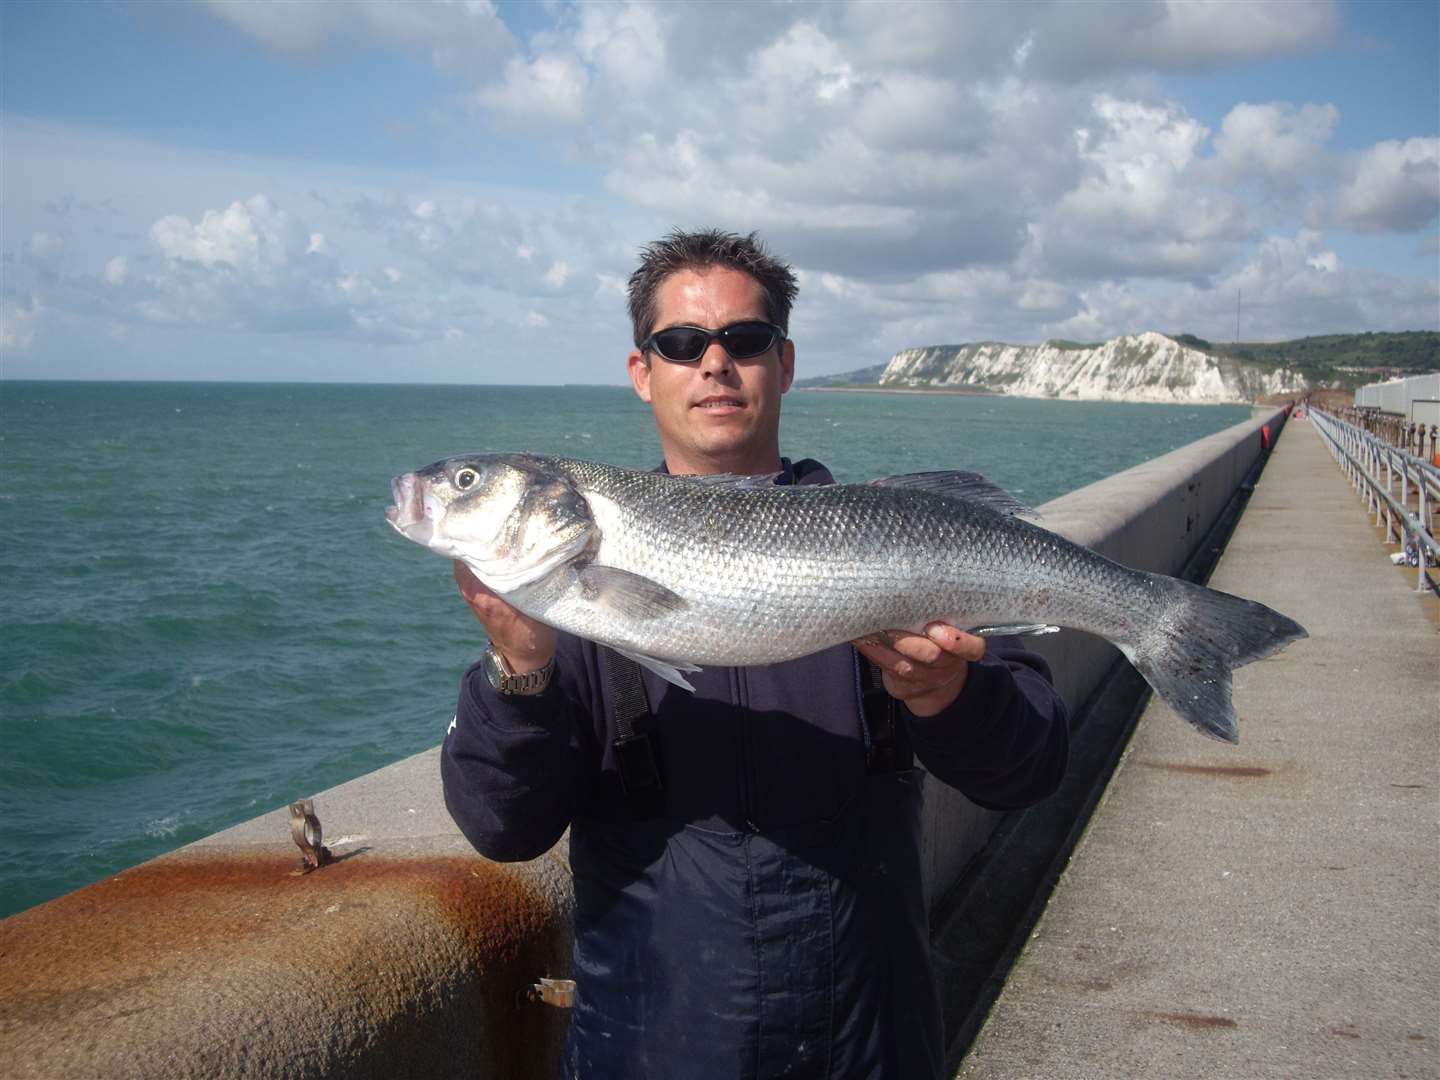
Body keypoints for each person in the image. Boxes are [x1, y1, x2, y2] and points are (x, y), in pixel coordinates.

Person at [442, 229, 1069, 1079]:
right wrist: (520, 674)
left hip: (870, 1044)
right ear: (643, 372)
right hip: (652, 1046)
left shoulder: (890, 543)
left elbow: (1029, 770)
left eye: (744, 340)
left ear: (785, 362)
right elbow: (502, 827)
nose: (713, 363)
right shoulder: (574, 594)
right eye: (679, 344)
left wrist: (948, 695)